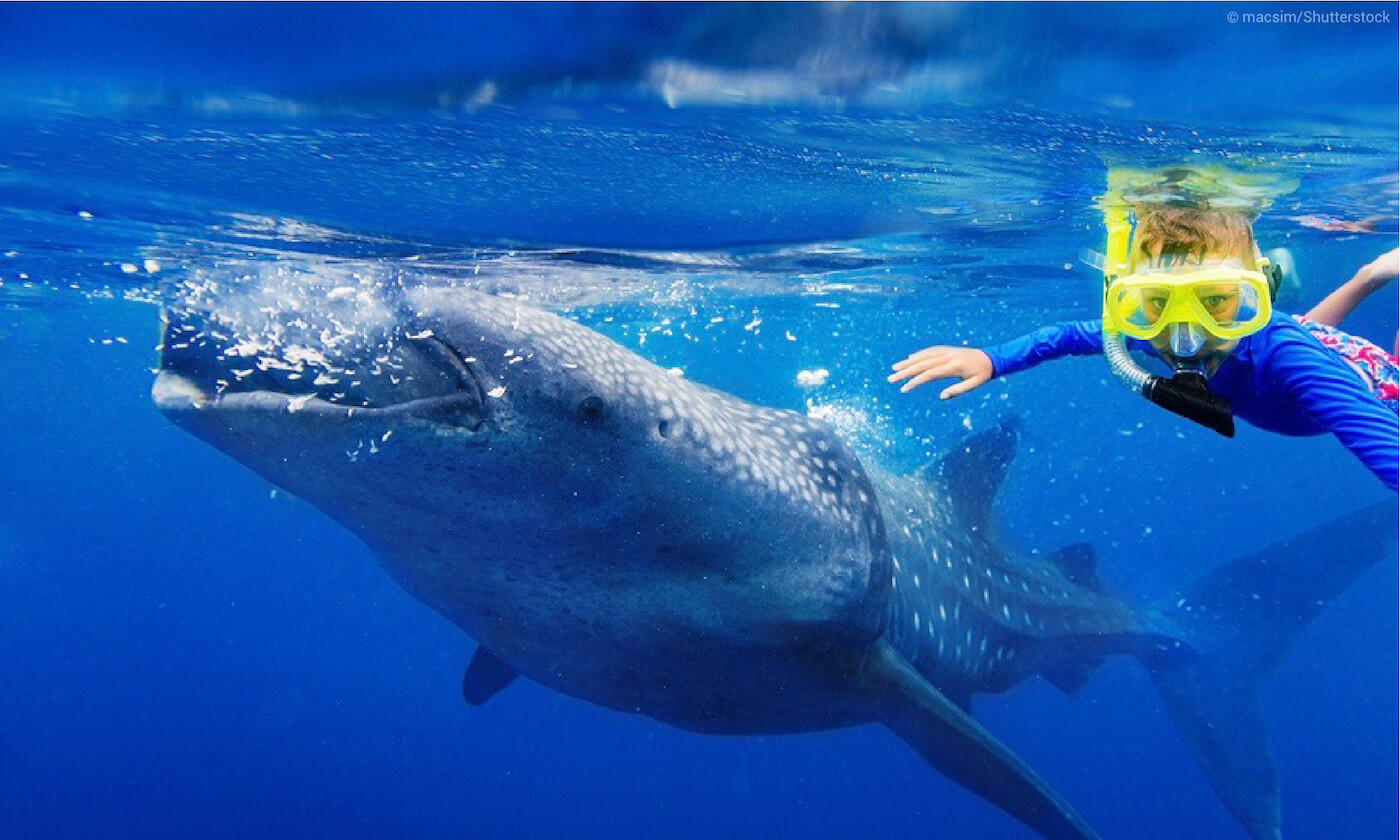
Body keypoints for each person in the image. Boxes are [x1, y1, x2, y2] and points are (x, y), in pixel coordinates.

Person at [889, 205, 1398, 491]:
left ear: (1252, 293)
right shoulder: (1143, 333)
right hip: (1293, 350)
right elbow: (1067, 335)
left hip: (1371, 375)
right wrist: (991, 359)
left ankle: (1372, 274)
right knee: (1292, 339)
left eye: (1214, 301)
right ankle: (1370, 274)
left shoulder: (1293, 360)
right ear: (1128, 299)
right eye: (1156, 303)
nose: (1184, 336)